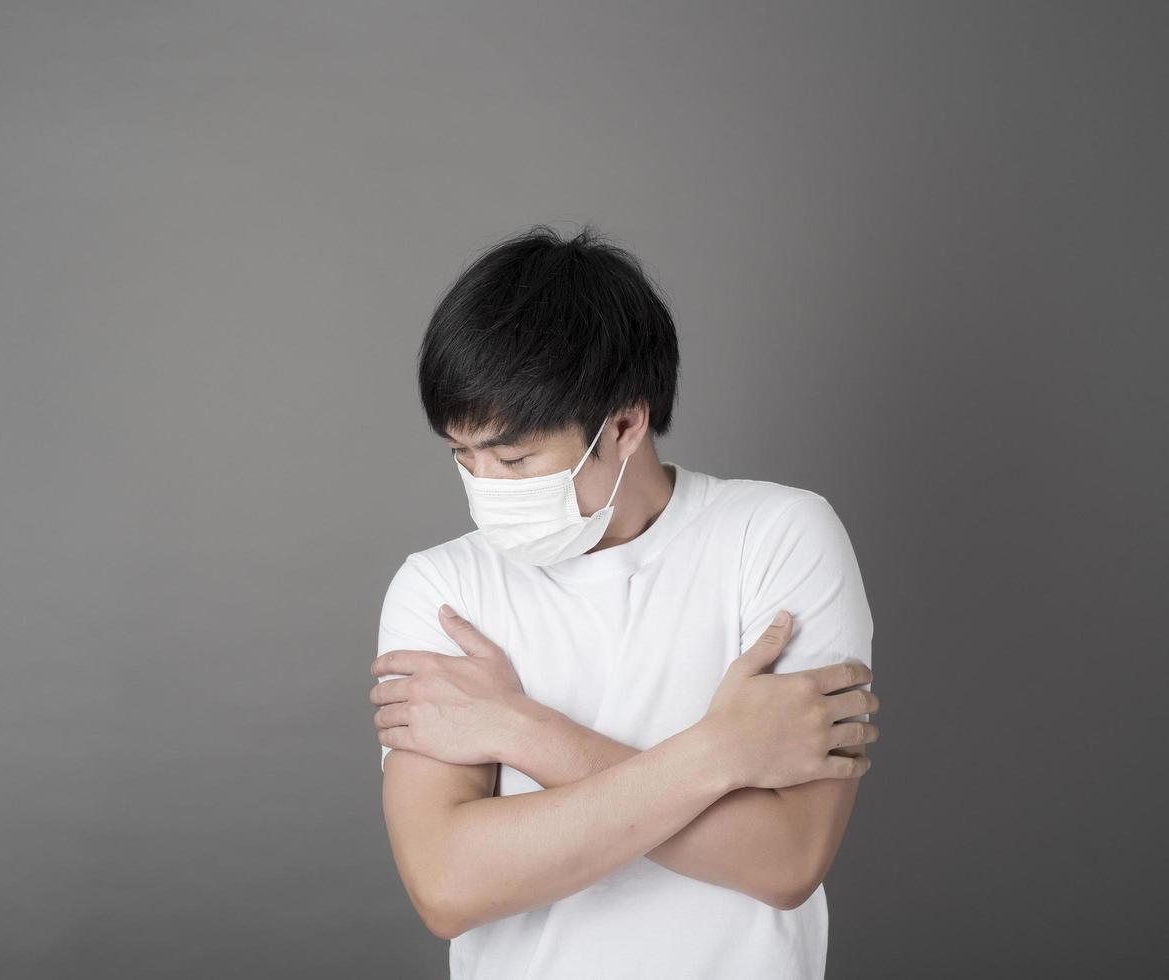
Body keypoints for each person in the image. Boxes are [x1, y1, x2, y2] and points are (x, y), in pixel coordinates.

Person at [368, 224, 880, 979]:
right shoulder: (442, 590)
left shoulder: (775, 537)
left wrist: (522, 730)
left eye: (514, 458)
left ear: (626, 423)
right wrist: (723, 752)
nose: (485, 486)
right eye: (462, 456)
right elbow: (448, 885)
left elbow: (785, 859)